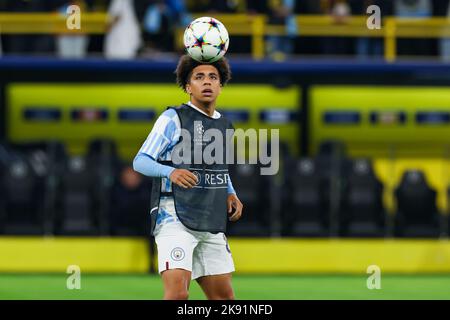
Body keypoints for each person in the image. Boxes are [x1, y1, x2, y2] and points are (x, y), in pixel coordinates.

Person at [133, 55, 243, 300]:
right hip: (174, 216)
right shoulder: (172, 118)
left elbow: (217, 167)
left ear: (221, 86)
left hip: (210, 217)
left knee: (224, 299)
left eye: (213, 77)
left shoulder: (225, 124)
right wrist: (170, 171)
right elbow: (140, 161)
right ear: (187, 86)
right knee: (177, 296)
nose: (207, 82)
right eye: (199, 77)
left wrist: (230, 191)